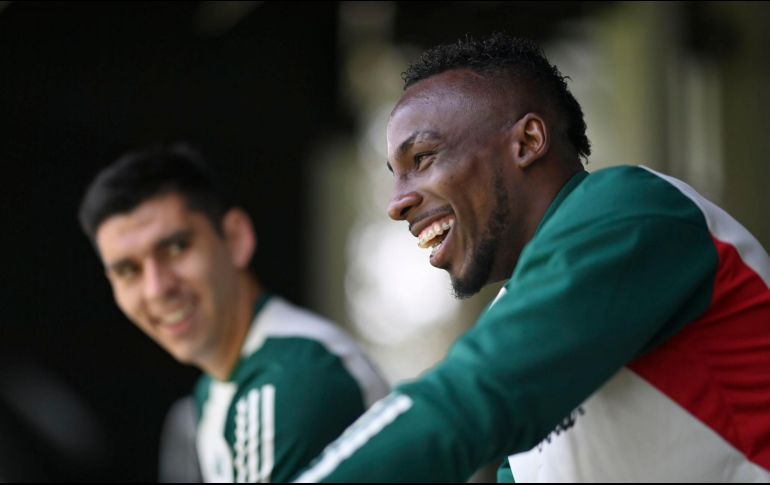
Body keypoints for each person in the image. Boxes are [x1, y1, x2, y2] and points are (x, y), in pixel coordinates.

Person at [294, 33, 770, 482]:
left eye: (422, 159)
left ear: (527, 142)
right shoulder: (516, 315)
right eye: (395, 175)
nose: (397, 203)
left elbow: (468, 400)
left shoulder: (628, 210)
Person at [78, 144, 389, 483]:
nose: (156, 288)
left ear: (235, 238)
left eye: (176, 247)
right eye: (128, 270)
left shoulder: (292, 379)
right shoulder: (217, 388)